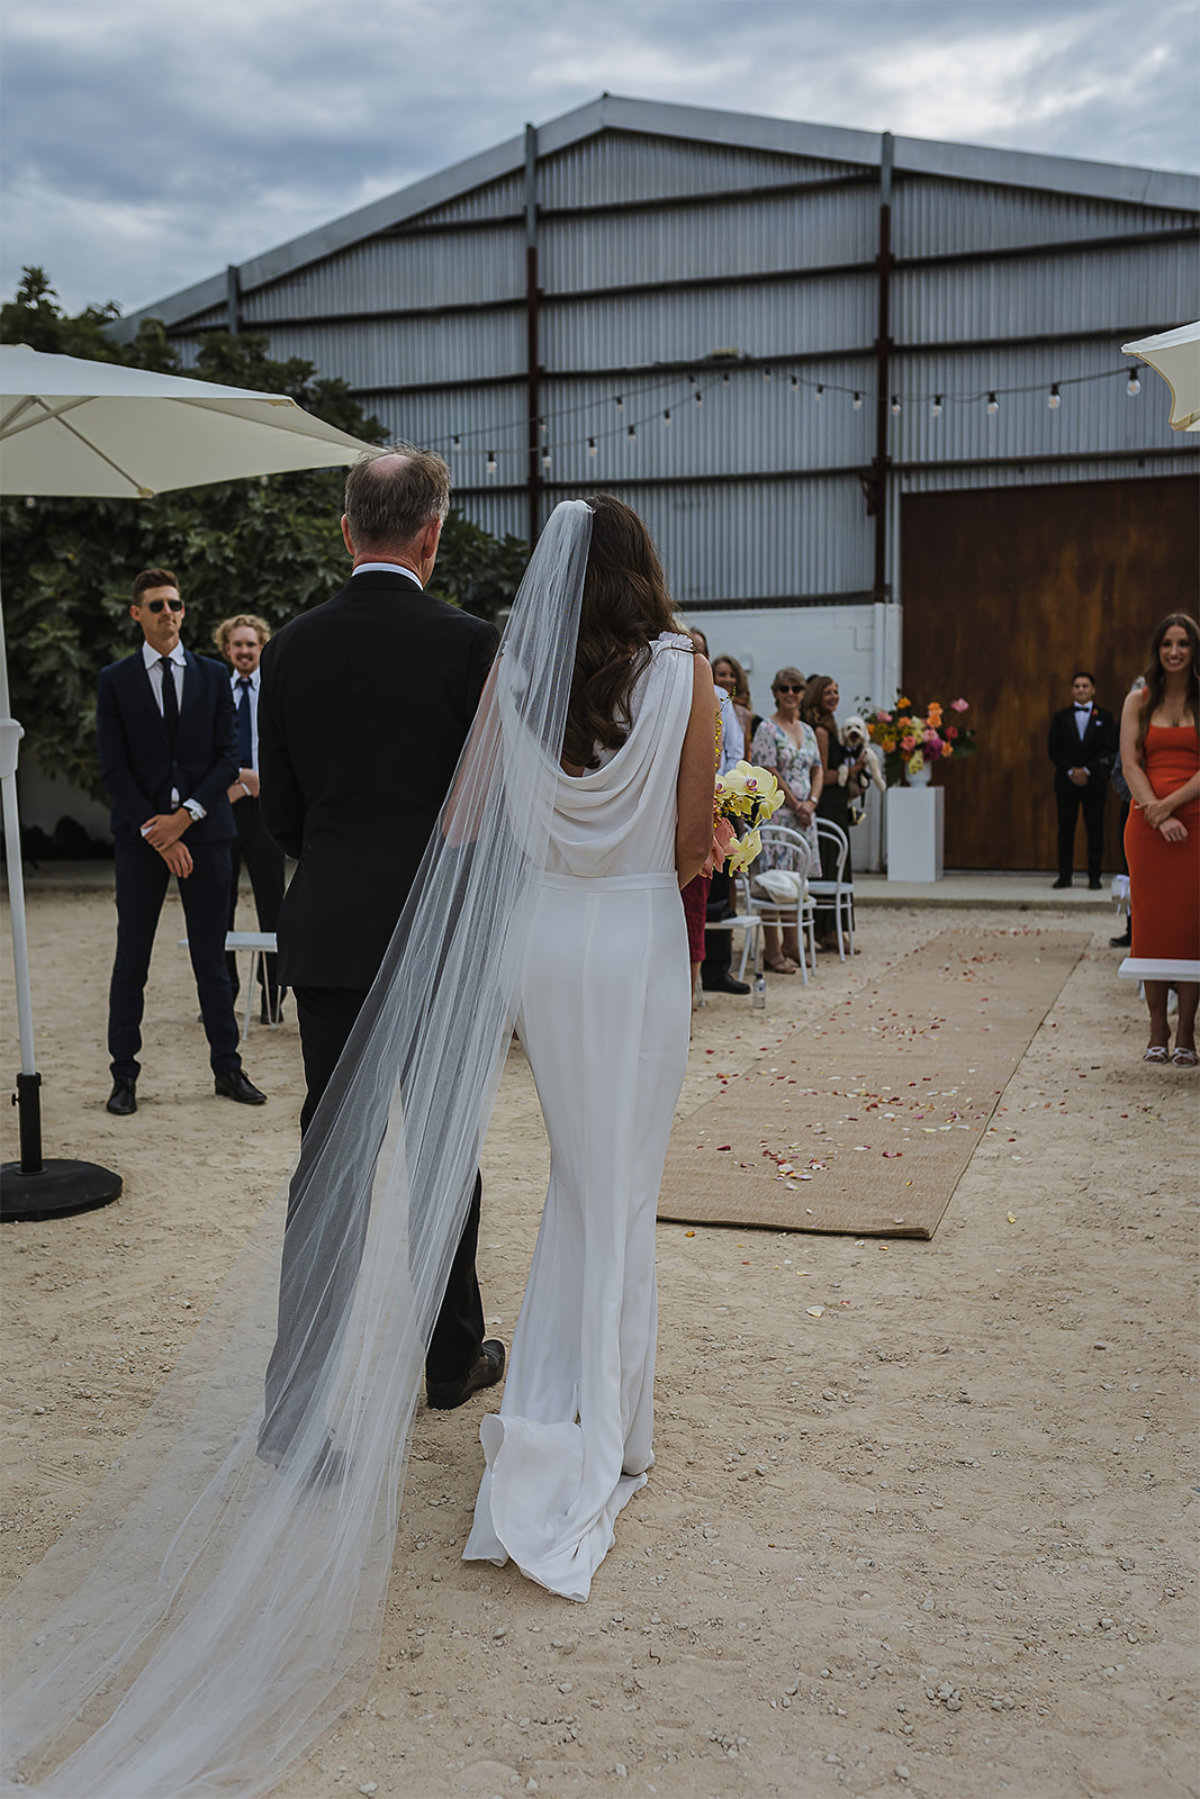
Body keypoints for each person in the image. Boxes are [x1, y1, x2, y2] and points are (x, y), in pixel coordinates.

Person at [464, 496, 714, 1597]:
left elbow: (471, 820)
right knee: (624, 1186)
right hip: (638, 933)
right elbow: (694, 837)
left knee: (580, 1174)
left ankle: (562, 1402)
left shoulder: (516, 673)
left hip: (544, 935)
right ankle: (614, 1426)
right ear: (640, 565)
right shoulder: (685, 668)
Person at [257, 446, 503, 1453]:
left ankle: (300, 1402)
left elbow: (281, 815)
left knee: (333, 1163)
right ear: (431, 534)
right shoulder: (472, 644)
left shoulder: (290, 648)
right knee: (447, 1147)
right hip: (438, 941)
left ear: (346, 529)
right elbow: (483, 816)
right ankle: (450, 1356)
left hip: (330, 931)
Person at [97, 567, 267, 1114]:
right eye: (156, 605)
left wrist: (185, 818)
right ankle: (124, 1076)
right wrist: (159, 830)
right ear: (136, 614)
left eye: (175, 604)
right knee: (132, 959)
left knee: (211, 959)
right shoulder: (115, 680)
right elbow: (113, 767)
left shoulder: (214, 676)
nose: (168, 612)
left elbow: (227, 759)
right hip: (141, 838)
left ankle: (228, 1069)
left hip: (207, 833)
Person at [1119, 612, 1200, 1065]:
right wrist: (1155, 811)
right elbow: (1131, 763)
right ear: (1157, 649)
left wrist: (1170, 807)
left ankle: (1187, 1031)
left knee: (1191, 927)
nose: (1175, 652)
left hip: (1195, 822)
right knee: (1151, 927)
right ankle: (1157, 1027)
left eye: (1183, 644)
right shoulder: (1138, 700)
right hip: (1147, 827)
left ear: (1193, 650)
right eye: (1167, 643)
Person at [213, 613, 286, 1023]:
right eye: (237, 645)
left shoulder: (274, 692)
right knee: (218, 905)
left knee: (271, 905)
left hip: (266, 809)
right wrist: (237, 781)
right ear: (227, 649)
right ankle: (224, 998)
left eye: (251, 645)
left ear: (262, 648)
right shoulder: (216, 692)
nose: (244, 651)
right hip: (222, 809)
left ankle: (272, 999)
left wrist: (258, 782)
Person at [688, 631, 749, 996]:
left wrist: (716, 788)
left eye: (700, 650)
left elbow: (733, 750)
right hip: (687, 798)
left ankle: (717, 968)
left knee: (720, 891)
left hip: (719, 798)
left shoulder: (720, 698)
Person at [750, 666, 821, 973]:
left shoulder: (807, 730)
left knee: (796, 880)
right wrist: (796, 804)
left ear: (803, 693)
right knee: (774, 880)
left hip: (804, 815)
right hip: (779, 814)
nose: (790, 694)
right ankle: (773, 948)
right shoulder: (767, 729)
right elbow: (769, 770)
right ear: (775, 693)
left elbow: (817, 767)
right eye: (784, 689)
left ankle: (793, 942)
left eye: (795, 688)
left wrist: (812, 803)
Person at [803, 672, 860, 953]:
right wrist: (849, 772)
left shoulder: (830, 725)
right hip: (827, 809)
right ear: (817, 696)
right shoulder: (822, 732)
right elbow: (821, 774)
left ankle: (831, 930)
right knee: (832, 867)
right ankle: (830, 931)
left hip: (838, 806)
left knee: (834, 867)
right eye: (828, 693)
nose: (834, 697)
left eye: (836, 692)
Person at [1048, 670, 1116, 889]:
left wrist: (1087, 770)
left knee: (1095, 829)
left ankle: (1094, 877)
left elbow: (1108, 748)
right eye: (1077, 686)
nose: (1081, 689)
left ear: (1093, 689)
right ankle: (1064, 876)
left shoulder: (1105, 718)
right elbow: (1054, 748)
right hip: (1066, 782)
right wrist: (1071, 770)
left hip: (1094, 782)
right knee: (1066, 829)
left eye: (1085, 686)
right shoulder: (1060, 717)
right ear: (1071, 690)